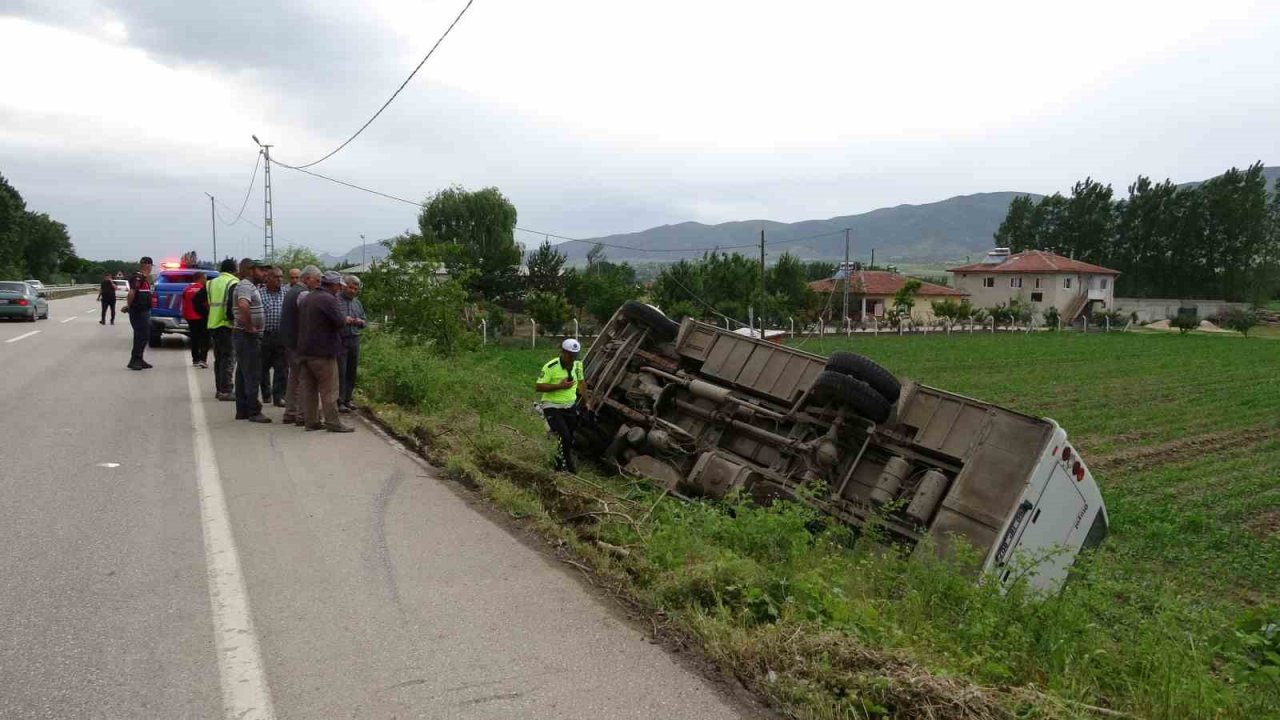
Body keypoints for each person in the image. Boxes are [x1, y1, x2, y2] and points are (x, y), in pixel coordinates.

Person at [295, 271, 354, 432]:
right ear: (334, 285)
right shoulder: (328, 299)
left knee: (309, 389)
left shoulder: (308, 297)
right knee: (329, 389)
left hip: (304, 351)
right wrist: (347, 319)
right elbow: (339, 321)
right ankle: (333, 422)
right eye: (339, 286)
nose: (339, 289)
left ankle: (311, 421)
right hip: (323, 351)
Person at [534, 338, 587, 473]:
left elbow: (581, 382)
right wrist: (559, 386)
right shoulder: (551, 367)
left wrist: (587, 401)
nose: (572, 358)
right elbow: (539, 387)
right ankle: (568, 465)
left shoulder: (578, 365)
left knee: (569, 436)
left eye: (575, 355)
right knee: (564, 436)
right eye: (570, 355)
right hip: (552, 405)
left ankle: (558, 464)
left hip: (569, 406)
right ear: (562, 352)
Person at [280, 265, 321, 426]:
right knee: (304, 379)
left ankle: (290, 412)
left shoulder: (291, 291)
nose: (317, 284)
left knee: (294, 377)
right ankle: (302, 415)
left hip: (289, 340)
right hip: (298, 342)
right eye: (316, 280)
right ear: (307, 278)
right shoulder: (303, 294)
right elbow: (309, 318)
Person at [232, 258, 270, 423]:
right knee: (253, 374)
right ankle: (254, 411)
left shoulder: (248, 286)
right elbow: (243, 305)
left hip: (243, 335)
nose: (265, 273)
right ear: (250, 270)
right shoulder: (246, 286)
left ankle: (242, 410)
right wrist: (249, 326)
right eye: (262, 270)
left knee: (242, 373)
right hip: (246, 335)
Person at [206, 258, 239, 401]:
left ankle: (219, 389)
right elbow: (232, 306)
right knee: (228, 358)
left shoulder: (211, 283)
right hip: (226, 325)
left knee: (219, 359)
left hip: (213, 324)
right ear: (234, 269)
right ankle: (226, 390)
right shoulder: (233, 283)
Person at [337, 274, 367, 413]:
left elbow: (364, 320)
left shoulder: (357, 303)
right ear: (344, 286)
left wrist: (360, 322)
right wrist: (344, 319)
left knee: (351, 371)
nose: (352, 291)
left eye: (355, 289)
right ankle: (340, 400)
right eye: (350, 287)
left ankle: (348, 399)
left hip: (354, 338)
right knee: (341, 371)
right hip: (341, 339)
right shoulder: (336, 300)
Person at [258, 265, 288, 407]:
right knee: (263, 367)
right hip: (265, 336)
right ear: (268, 278)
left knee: (281, 368)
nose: (279, 280)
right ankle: (266, 394)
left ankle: (279, 396)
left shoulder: (286, 293)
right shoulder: (259, 294)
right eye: (276, 277)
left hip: (281, 336)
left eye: (281, 277)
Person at [125, 257, 155, 370]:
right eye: (151, 265)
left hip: (144, 310)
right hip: (139, 311)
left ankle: (139, 359)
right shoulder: (138, 277)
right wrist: (129, 306)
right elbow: (131, 293)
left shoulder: (144, 278)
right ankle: (134, 360)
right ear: (147, 265)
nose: (151, 268)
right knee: (140, 336)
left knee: (144, 335)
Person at [182, 272, 210, 368]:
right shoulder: (203, 289)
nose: (206, 281)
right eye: (205, 278)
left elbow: (184, 304)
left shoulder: (186, 289)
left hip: (190, 318)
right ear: (200, 278)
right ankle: (203, 359)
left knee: (194, 339)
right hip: (202, 316)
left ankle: (195, 359)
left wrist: (185, 315)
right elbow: (206, 303)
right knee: (205, 339)